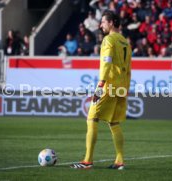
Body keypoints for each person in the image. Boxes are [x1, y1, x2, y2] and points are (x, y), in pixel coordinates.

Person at [70, 10, 132, 170]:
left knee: (92, 118)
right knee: (114, 122)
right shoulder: (125, 42)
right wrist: (126, 88)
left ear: (111, 22)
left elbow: (106, 62)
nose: (101, 25)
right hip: (121, 87)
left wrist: (100, 86)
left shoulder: (108, 39)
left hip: (108, 86)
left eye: (103, 22)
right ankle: (120, 161)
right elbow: (128, 68)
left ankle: (87, 161)